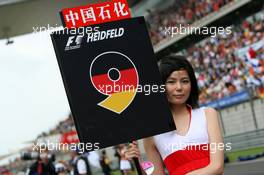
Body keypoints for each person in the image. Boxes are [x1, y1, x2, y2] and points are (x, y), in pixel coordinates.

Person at [125, 55, 224, 175]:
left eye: (185, 81)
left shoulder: (208, 114)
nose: (179, 87)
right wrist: (139, 162)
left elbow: (217, 166)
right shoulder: (152, 133)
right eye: (171, 82)